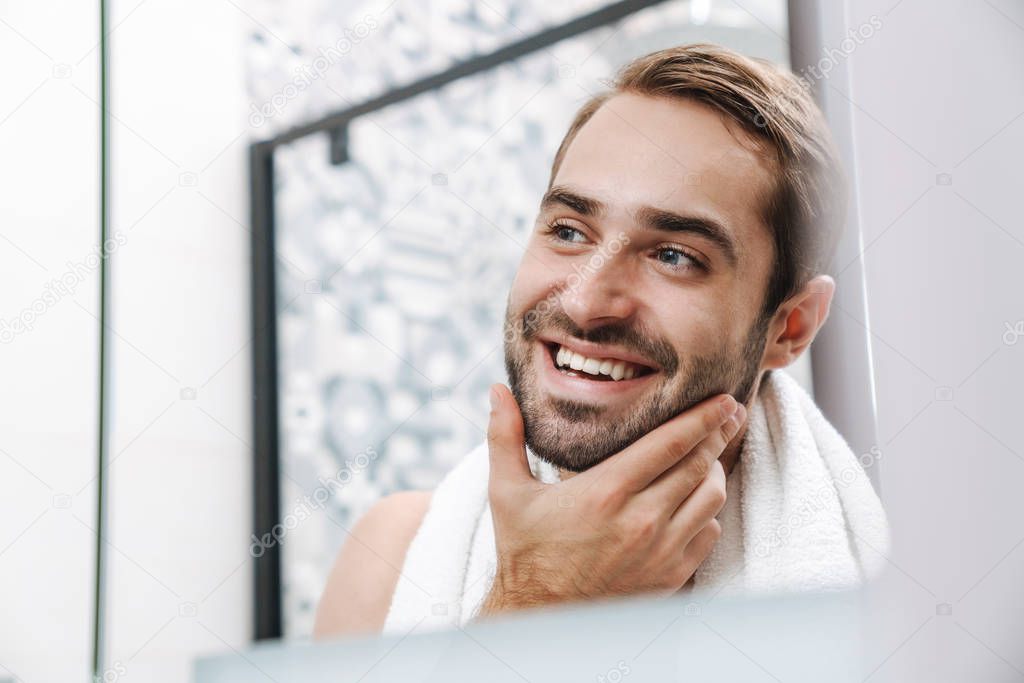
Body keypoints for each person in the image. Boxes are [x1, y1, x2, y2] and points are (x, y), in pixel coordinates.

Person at [313, 43, 887, 638]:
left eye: (674, 256)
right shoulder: (391, 557)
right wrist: (540, 597)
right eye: (568, 230)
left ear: (789, 327)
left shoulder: (902, 577)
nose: (586, 302)